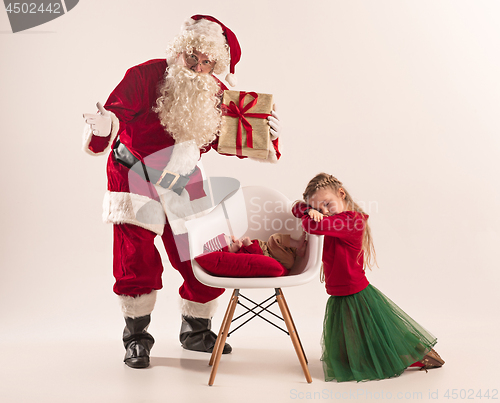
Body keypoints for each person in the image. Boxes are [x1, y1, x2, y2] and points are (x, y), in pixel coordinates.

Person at [82, 15, 282, 369]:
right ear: (180, 51)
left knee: (202, 252)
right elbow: (115, 115)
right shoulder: (144, 75)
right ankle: (137, 339)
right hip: (134, 175)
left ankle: (195, 330)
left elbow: (228, 138)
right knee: (135, 259)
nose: (197, 67)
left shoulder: (215, 91)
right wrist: (103, 125)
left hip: (184, 179)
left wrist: (266, 134)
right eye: (193, 57)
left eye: (207, 62)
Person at [292, 172, 444, 382]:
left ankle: (419, 355)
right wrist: (307, 209)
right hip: (339, 290)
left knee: (376, 336)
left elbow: (313, 225)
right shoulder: (335, 218)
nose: (325, 212)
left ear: (341, 194)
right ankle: (396, 354)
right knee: (357, 342)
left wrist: (310, 214)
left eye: (327, 204)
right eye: (320, 209)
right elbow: (295, 206)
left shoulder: (350, 221)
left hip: (354, 291)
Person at [204, 233, 307, 270]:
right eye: (231, 244)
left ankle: (297, 251)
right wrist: (249, 245)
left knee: (284, 246)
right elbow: (257, 258)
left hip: (280, 255)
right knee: (274, 239)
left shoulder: (239, 248)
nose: (234, 240)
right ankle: (298, 245)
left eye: (230, 238)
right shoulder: (239, 256)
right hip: (271, 254)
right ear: (229, 254)